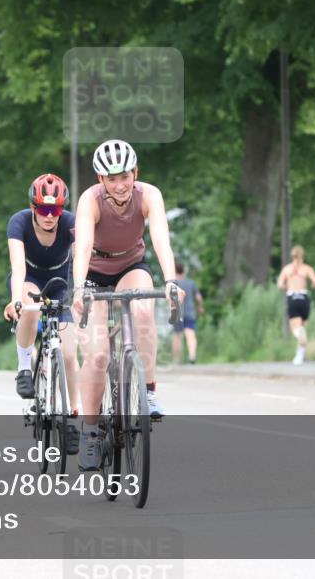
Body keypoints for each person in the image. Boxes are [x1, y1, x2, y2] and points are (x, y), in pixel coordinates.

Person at [70, 139, 185, 471]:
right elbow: (84, 245)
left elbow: (160, 237)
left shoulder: (149, 195)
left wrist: (170, 281)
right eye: (111, 178)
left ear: (135, 173)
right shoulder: (89, 201)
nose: (120, 185)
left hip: (131, 266)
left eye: (125, 176)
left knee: (144, 311)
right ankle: (91, 432)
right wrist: (79, 289)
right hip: (92, 271)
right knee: (98, 353)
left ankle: (147, 391)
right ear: (100, 179)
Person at [3, 173, 80, 453]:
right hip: (30, 277)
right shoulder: (19, 222)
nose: (50, 216)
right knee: (31, 311)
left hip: (60, 282)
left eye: (56, 210)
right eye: (44, 209)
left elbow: (81, 261)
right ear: (33, 208)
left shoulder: (71, 224)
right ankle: (24, 367)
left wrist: (82, 293)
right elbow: (17, 266)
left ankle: (72, 419)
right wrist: (16, 300)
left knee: (70, 357)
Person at [276, 245, 315, 365]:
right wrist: (313, 286)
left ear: (292, 256)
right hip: (304, 298)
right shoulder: (307, 269)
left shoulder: (287, 269)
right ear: (302, 256)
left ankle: (298, 334)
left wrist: (288, 286)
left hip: (292, 297)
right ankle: (299, 357)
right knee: (303, 327)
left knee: (295, 328)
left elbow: (280, 284)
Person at [170, 260, 204, 365]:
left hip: (177, 312)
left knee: (177, 336)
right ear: (184, 271)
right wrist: (200, 307)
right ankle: (192, 356)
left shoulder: (173, 284)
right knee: (190, 334)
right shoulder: (191, 283)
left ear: (174, 271)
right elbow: (198, 297)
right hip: (190, 312)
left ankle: (177, 360)